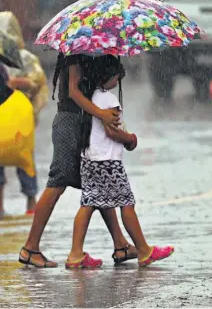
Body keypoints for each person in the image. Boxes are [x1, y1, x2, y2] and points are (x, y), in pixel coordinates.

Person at [18, 54, 138, 268]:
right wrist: (101, 113)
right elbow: (73, 90)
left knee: (97, 185)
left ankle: (120, 244)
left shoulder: (91, 50)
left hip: (82, 123)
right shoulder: (75, 51)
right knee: (57, 183)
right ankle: (30, 248)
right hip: (69, 123)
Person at [66, 55, 174, 268]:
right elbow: (112, 131)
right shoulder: (108, 100)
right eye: (116, 77)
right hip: (107, 162)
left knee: (88, 203)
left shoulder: (90, 96)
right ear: (108, 77)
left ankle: (75, 254)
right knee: (127, 203)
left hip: (89, 158)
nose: (118, 81)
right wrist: (130, 139)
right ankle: (144, 250)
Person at [0, 12, 48, 218]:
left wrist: (17, 83)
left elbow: (36, 80)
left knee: (24, 158)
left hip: (19, 117)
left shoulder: (25, 58)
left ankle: (31, 201)